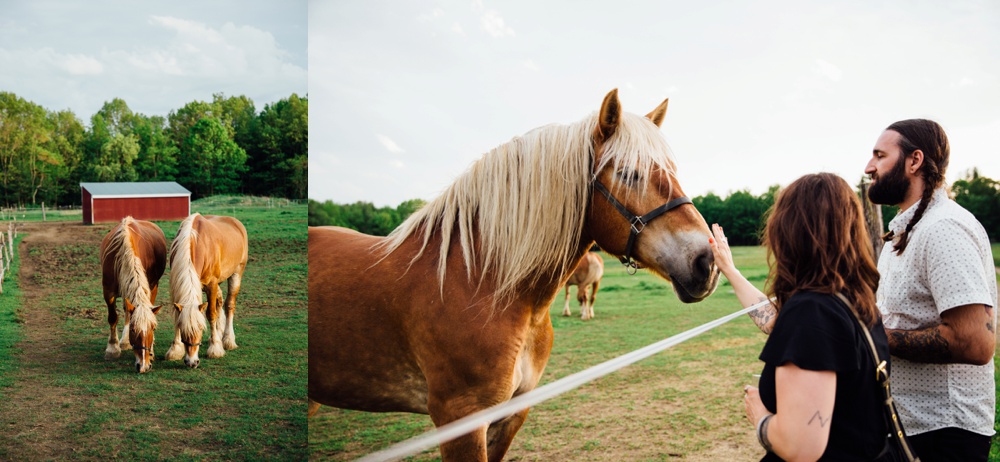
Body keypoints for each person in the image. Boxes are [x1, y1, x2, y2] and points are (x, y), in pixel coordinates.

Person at [711, 173, 893, 461]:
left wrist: (760, 417)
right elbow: (775, 322)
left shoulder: (812, 312)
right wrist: (731, 271)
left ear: (789, 231)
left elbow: (799, 447)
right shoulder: (851, 301)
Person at [864, 118, 997, 461]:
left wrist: (873, 336)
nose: (869, 167)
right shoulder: (907, 230)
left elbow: (975, 342)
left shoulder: (944, 228)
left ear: (914, 161)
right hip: (909, 427)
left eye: (880, 156)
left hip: (944, 436)